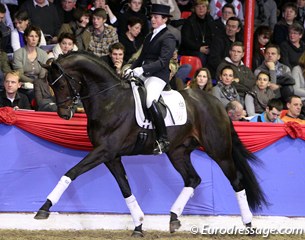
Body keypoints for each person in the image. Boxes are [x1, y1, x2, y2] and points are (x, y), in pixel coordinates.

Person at [126, 4, 176, 154]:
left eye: (156, 17)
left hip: (158, 75)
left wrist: (142, 69)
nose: (152, 19)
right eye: (152, 17)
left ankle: (163, 139)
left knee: (149, 100)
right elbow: (141, 57)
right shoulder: (149, 35)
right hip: (145, 72)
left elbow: (163, 61)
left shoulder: (169, 37)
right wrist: (131, 68)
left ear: (164, 19)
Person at [12, 25, 49, 102]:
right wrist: (33, 82)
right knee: (33, 94)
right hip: (23, 86)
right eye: (31, 36)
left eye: (36, 36)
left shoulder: (43, 54)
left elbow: (43, 73)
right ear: (26, 38)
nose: (34, 39)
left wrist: (38, 83)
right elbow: (19, 74)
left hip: (40, 84)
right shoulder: (18, 53)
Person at [178, 0, 215, 66]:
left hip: (207, 48)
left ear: (207, 9)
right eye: (198, 6)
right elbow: (186, 41)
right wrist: (199, 48)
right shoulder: (189, 21)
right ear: (194, 9)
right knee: (201, 56)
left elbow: (214, 36)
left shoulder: (210, 20)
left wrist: (210, 48)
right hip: (191, 50)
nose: (201, 9)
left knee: (215, 55)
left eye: (203, 6)